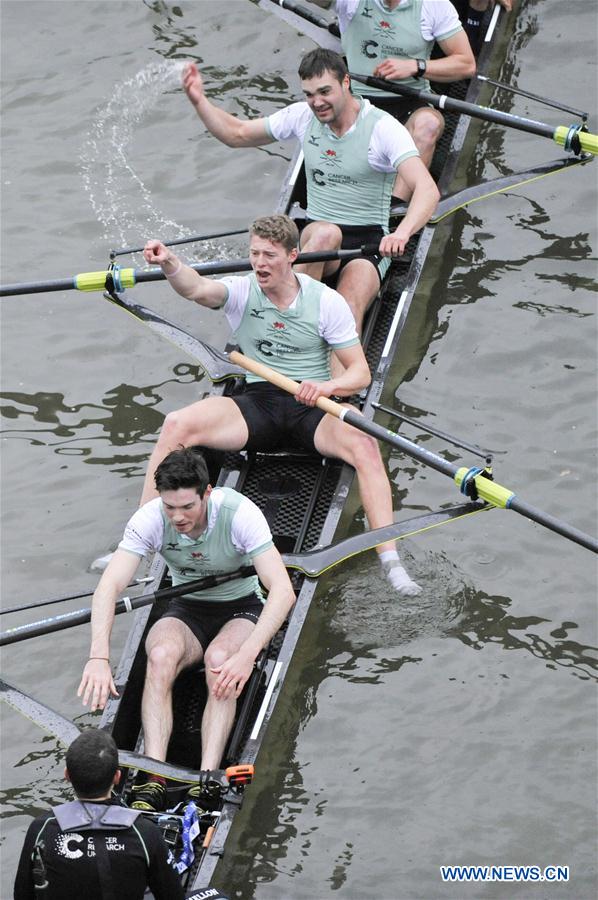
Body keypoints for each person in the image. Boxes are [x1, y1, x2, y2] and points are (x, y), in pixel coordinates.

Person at [137, 214, 422, 603]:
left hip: (312, 408)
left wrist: (326, 387)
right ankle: (140, 541)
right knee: (176, 424)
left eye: (269, 255)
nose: (260, 263)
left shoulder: (325, 302)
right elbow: (197, 289)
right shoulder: (242, 291)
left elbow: (360, 374)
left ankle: (391, 562)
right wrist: (170, 263)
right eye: (254, 254)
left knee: (365, 445)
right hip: (259, 404)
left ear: (292, 256)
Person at [78, 446, 296, 813]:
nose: (177, 517)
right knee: (160, 655)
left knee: (220, 661)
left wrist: (247, 656)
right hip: (187, 607)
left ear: (206, 493)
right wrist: (98, 657)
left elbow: (283, 592)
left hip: (241, 606)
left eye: (187, 507)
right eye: (170, 507)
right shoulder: (150, 518)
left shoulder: (239, 514)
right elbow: (108, 588)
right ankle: (154, 777)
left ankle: (207, 779)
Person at [182, 48, 439, 333]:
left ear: (346, 83)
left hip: (368, 242)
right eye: (309, 94)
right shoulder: (302, 116)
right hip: (317, 234)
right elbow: (237, 134)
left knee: (346, 311)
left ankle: (323, 350)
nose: (317, 102)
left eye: (324, 92)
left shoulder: (382, 128)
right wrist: (199, 101)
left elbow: (427, 190)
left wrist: (402, 233)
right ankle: (288, 323)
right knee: (327, 234)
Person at [312, 0, 476, 188]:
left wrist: (416, 66)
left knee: (429, 124)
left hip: (410, 100)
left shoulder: (433, 5)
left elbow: (467, 64)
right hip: (357, 101)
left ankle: (396, 203)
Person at [13, 729, 184, 900]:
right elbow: (173, 895)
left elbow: (22, 894)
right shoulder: (145, 833)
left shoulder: (41, 828)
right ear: (117, 777)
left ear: (67, 775)